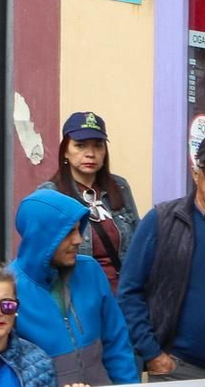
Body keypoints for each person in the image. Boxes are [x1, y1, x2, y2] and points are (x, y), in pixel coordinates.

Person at [9, 186, 138, 387]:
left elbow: (117, 343)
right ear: (42, 236)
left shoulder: (90, 270)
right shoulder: (8, 288)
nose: (79, 240)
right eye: (68, 232)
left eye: (79, 229)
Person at [118, 134, 205, 381]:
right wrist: (152, 353)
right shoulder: (163, 220)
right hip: (178, 370)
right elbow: (129, 291)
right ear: (196, 173)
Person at [40, 111, 139, 290]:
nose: (90, 154)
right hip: (77, 295)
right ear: (65, 151)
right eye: (80, 146)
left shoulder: (120, 186)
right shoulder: (50, 194)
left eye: (98, 146)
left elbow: (137, 245)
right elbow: (42, 257)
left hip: (121, 296)